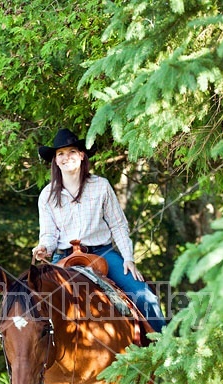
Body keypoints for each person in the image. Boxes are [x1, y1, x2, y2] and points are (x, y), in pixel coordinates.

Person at [32, 128, 166, 333]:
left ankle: (162, 351)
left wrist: (128, 258)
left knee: (144, 296)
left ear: (82, 155)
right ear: (56, 161)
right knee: (37, 304)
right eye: (61, 154)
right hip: (64, 256)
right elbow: (49, 234)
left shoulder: (100, 186)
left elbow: (118, 225)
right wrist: (44, 248)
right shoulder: (47, 195)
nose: (66, 157)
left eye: (72, 152)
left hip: (100, 253)